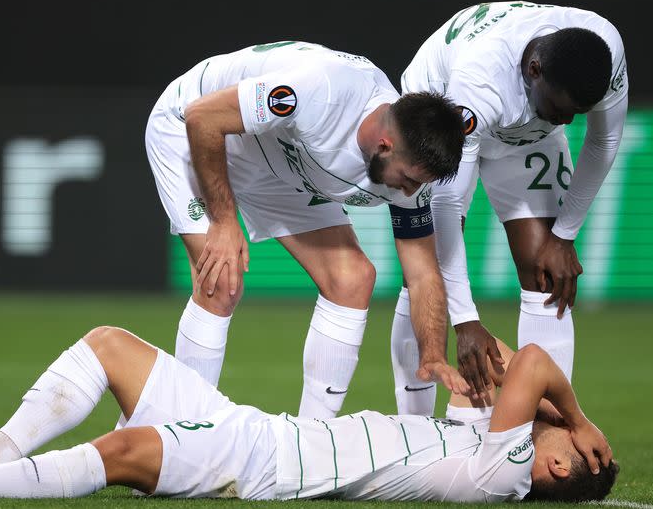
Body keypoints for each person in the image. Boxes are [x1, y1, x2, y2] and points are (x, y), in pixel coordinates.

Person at [0, 324, 617, 502]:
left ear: (557, 462)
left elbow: (532, 365)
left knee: (123, 453)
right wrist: (570, 423)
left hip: (262, 463)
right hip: (260, 427)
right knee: (109, 345)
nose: (576, 431)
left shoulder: (507, 473)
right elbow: (525, 374)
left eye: (579, 445)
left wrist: (580, 417)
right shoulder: (498, 452)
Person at [145, 40, 474, 418]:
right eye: (408, 179)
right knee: (221, 280)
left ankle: (309, 443)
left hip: (278, 163)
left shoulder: (411, 170)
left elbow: (423, 274)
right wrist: (223, 222)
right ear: (385, 145)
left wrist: (433, 353)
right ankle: (182, 434)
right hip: (193, 130)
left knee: (352, 279)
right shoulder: (320, 93)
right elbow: (203, 117)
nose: (411, 192)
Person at [394, 2, 629, 415]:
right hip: (438, 117)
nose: (568, 122)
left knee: (546, 270)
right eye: (561, 109)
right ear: (534, 70)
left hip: (523, 131)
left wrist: (564, 235)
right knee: (423, 273)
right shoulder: (480, 83)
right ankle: (413, 428)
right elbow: (448, 205)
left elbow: (604, 141)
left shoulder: (602, 52)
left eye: (577, 112)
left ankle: (549, 435)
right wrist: (465, 320)